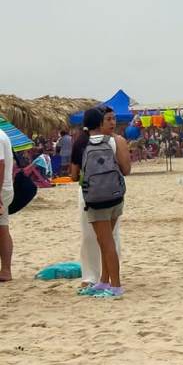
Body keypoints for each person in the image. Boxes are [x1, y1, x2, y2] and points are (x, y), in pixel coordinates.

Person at [74, 107, 131, 297]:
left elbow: (73, 175)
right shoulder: (116, 141)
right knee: (109, 240)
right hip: (115, 196)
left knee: (103, 242)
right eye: (109, 119)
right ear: (101, 123)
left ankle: (115, 285)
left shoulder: (82, 143)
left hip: (93, 198)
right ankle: (104, 280)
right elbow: (126, 169)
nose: (113, 122)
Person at [0, 127, 15, 281]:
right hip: (5, 188)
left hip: (2, 189)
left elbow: (0, 164)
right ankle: (5, 270)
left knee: (2, 228)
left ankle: (5, 270)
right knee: (2, 227)